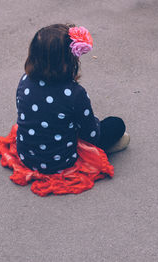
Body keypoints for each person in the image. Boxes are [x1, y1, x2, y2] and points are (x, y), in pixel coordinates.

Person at [15, 23, 129, 175]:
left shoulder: (25, 81)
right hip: (61, 161)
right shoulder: (75, 93)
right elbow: (91, 136)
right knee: (116, 124)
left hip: (27, 156)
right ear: (70, 60)